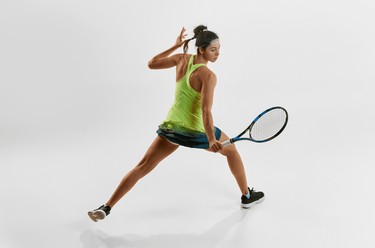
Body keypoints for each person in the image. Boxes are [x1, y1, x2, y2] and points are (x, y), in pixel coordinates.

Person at [88, 25, 264, 222]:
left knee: (143, 166)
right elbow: (206, 111)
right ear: (201, 49)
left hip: (172, 128)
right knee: (231, 151)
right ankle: (247, 196)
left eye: (219, 49)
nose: (217, 54)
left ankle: (107, 207)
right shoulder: (208, 75)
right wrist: (211, 139)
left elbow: (152, 63)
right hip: (196, 131)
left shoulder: (182, 59)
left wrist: (175, 46)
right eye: (213, 50)